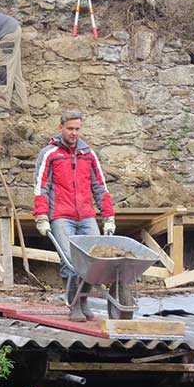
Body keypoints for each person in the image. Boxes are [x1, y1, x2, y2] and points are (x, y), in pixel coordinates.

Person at [33, 110, 115, 321]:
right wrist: (41, 216)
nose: (74, 133)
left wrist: (108, 216)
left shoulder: (88, 154)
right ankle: (74, 305)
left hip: (86, 215)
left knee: (94, 260)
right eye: (70, 128)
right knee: (69, 260)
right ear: (60, 127)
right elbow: (41, 186)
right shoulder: (49, 154)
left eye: (77, 129)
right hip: (61, 215)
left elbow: (100, 186)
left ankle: (84, 300)